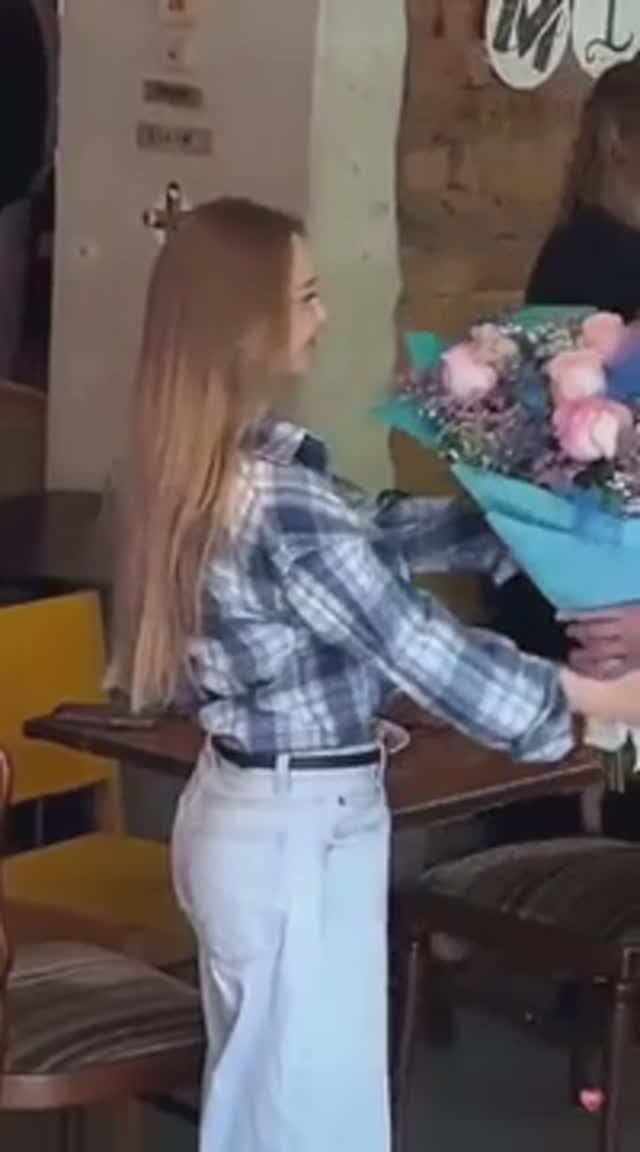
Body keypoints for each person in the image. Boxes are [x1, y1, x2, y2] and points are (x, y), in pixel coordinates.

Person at [111, 198, 640, 1152]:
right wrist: (602, 697)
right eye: (307, 296)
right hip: (295, 838)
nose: (325, 317)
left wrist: (527, 525)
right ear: (248, 324)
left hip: (255, 820)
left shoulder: (218, 467)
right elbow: (424, 649)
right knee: (306, 1125)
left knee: (272, 1111)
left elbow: (375, 528)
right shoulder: (279, 504)